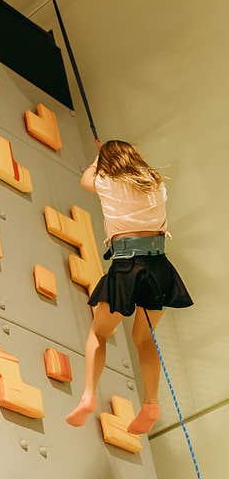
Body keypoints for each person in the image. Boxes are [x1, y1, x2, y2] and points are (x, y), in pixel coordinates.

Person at [66, 140, 193, 434]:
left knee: (99, 333)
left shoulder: (106, 182)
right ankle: (150, 403)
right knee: (144, 338)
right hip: (159, 267)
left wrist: (98, 156)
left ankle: (88, 395)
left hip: (127, 267)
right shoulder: (158, 185)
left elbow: (86, 178)